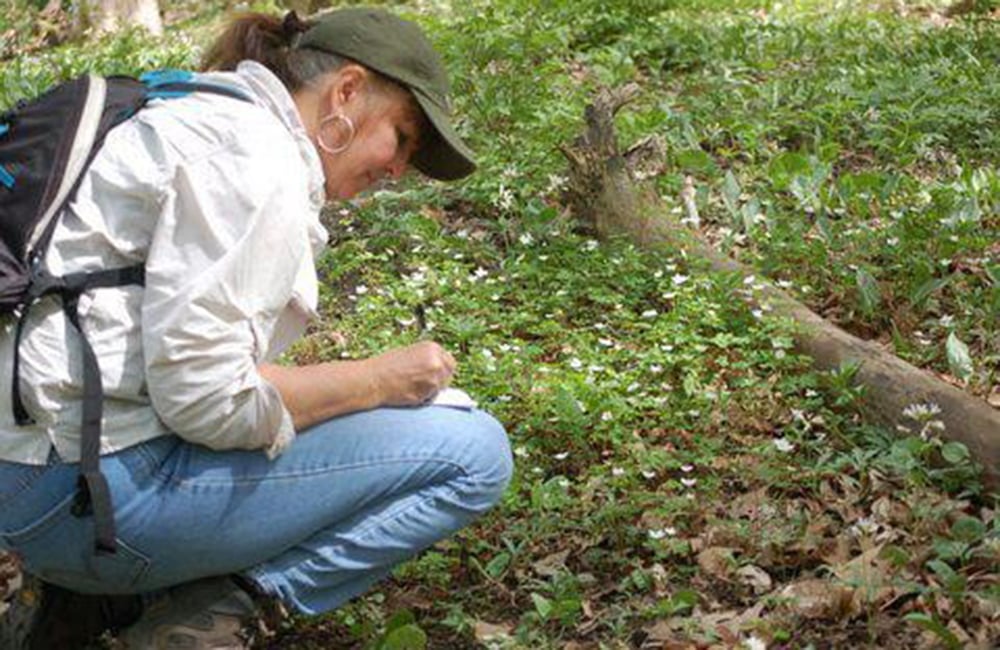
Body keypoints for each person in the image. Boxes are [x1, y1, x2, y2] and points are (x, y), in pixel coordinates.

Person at [0, 7, 513, 649]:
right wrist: (377, 381)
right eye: (402, 137)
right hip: (89, 506)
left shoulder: (194, 110)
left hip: (33, 479)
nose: (398, 169)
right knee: (473, 453)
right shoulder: (253, 157)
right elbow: (207, 403)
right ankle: (217, 612)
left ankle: (85, 606)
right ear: (346, 91)